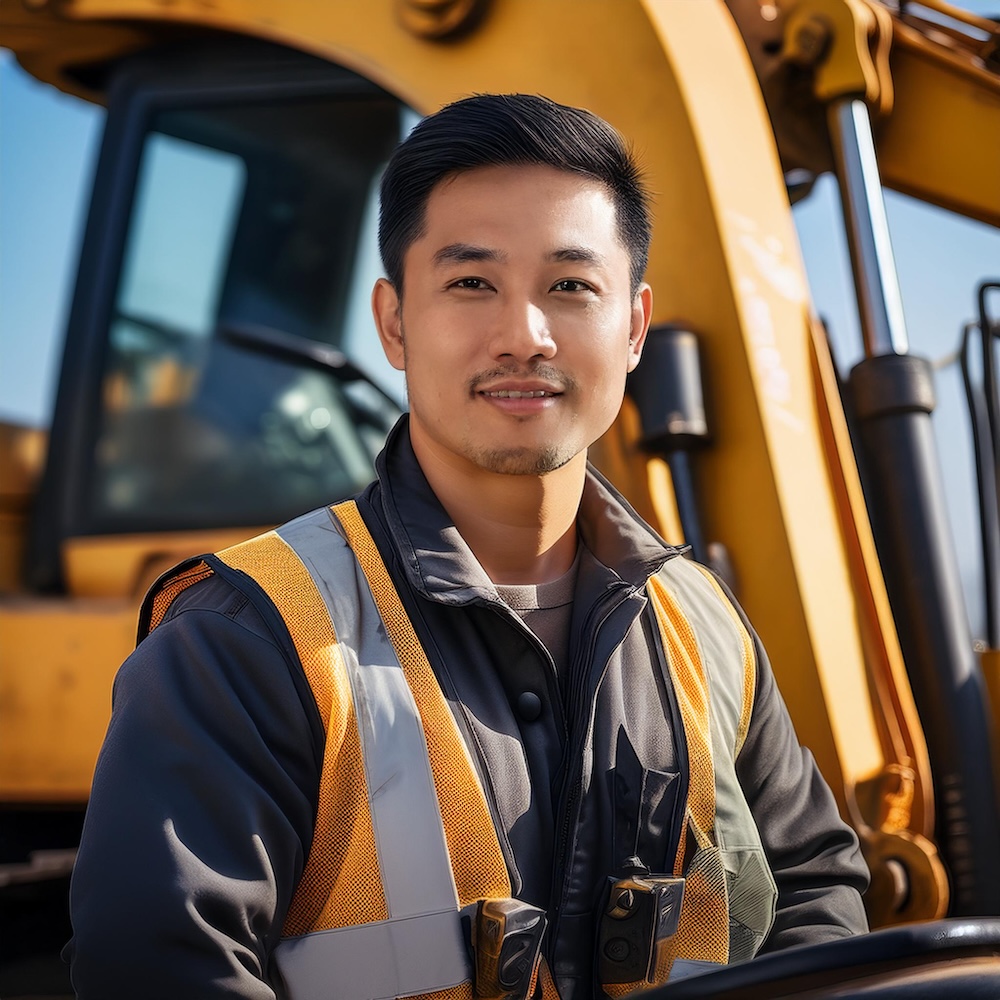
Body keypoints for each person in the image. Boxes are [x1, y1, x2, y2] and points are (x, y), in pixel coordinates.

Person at [66, 94, 869, 1000]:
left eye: (570, 285)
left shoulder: (704, 624)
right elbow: (160, 969)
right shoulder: (249, 637)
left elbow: (813, 891)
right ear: (395, 322)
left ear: (635, 326)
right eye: (472, 283)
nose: (523, 335)